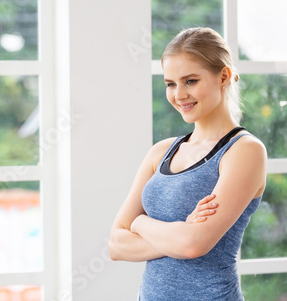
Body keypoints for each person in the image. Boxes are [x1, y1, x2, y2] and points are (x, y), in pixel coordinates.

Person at [108, 27, 267, 300]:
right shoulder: (161, 152)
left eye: (190, 81)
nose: (179, 94)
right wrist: (179, 234)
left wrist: (140, 223)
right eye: (171, 83)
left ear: (224, 76)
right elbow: (115, 245)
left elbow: (194, 245)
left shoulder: (245, 151)